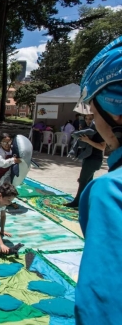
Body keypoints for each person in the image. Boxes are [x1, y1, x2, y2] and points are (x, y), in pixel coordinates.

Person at [73, 36, 122, 324]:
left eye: (92, 108)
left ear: (114, 112)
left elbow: (100, 310)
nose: (92, 119)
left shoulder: (111, 192)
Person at [63, 114, 105, 208]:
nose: (88, 121)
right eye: (86, 119)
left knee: (82, 181)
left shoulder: (99, 131)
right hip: (88, 158)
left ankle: (77, 202)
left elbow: (102, 147)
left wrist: (87, 141)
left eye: (91, 119)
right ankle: (88, 202)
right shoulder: (88, 130)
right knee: (88, 182)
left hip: (94, 159)